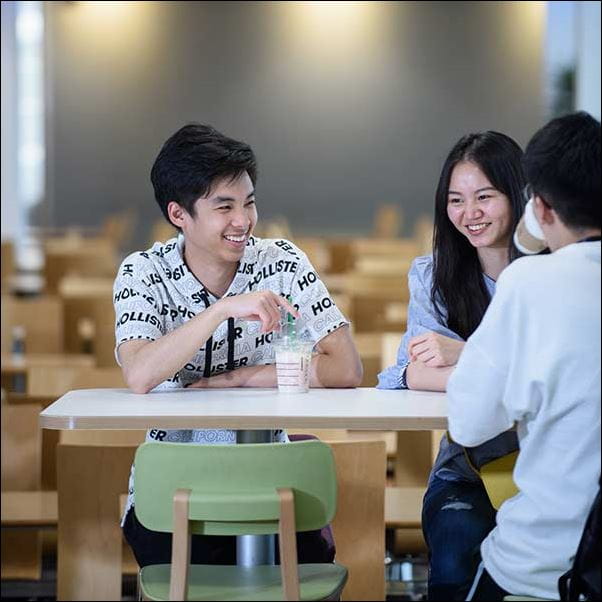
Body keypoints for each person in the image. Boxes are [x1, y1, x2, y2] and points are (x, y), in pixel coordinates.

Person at [113, 123, 363, 568]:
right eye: (223, 206)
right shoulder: (142, 272)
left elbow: (346, 368)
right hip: (174, 484)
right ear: (179, 214)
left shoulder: (281, 262)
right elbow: (139, 374)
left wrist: (243, 377)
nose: (243, 221)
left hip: (269, 477)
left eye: (248, 203)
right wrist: (220, 311)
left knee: (308, 562)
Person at [448, 111, 601, 600]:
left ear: (540, 208)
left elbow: (469, 424)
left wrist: (527, 244)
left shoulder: (530, 283)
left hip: (546, 567)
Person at [378, 131, 527, 600]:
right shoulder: (433, 274)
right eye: (456, 200)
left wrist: (464, 354)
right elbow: (409, 374)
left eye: (485, 196)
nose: (470, 214)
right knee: (455, 556)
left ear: (519, 194)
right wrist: (516, 369)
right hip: (467, 463)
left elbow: (565, 371)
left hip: (548, 462)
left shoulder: (551, 275)